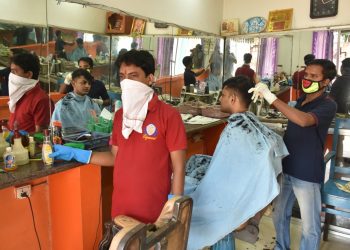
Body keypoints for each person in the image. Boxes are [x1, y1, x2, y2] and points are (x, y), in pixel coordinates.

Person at [50, 50, 187, 224]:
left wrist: (172, 208)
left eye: (133, 76)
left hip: (155, 209)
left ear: (150, 78)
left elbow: (179, 167)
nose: (127, 82)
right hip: (122, 206)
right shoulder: (121, 116)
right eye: (123, 76)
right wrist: (78, 154)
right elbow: (115, 158)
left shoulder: (168, 116)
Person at [184, 76, 288, 250]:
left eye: (222, 95)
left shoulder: (237, 129)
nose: (220, 99)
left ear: (232, 99)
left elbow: (223, 172)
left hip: (226, 197)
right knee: (195, 163)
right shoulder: (248, 123)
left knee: (184, 192)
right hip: (238, 186)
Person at [249, 59, 337, 250]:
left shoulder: (328, 105)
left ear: (326, 81)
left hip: (306, 171)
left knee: (309, 226)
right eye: (306, 75)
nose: (307, 79)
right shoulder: (300, 101)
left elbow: (304, 121)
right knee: (279, 213)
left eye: (314, 76)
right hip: (287, 165)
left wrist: (272, 97)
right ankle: (281, 246)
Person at [8, 53, 53, 133]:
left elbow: (41, 135)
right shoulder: (18, 94)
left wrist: (21, 138)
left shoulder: (41, 100)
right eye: (11, 72)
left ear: (29, 74)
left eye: (15, 72)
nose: (11, 76)